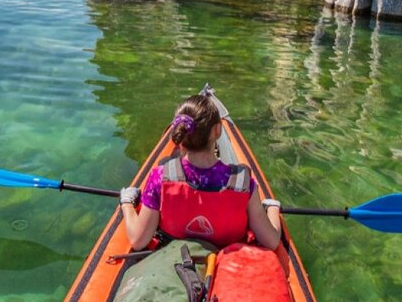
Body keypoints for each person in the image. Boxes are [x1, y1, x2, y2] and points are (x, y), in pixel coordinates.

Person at [120, 94, 283, 250]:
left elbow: (138, 241)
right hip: (227, 265)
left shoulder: (159, 178)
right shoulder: (244, 182)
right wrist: (272, 208)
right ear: (217, 131)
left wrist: (127, 203)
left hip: (178, 260)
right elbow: (271, 241)